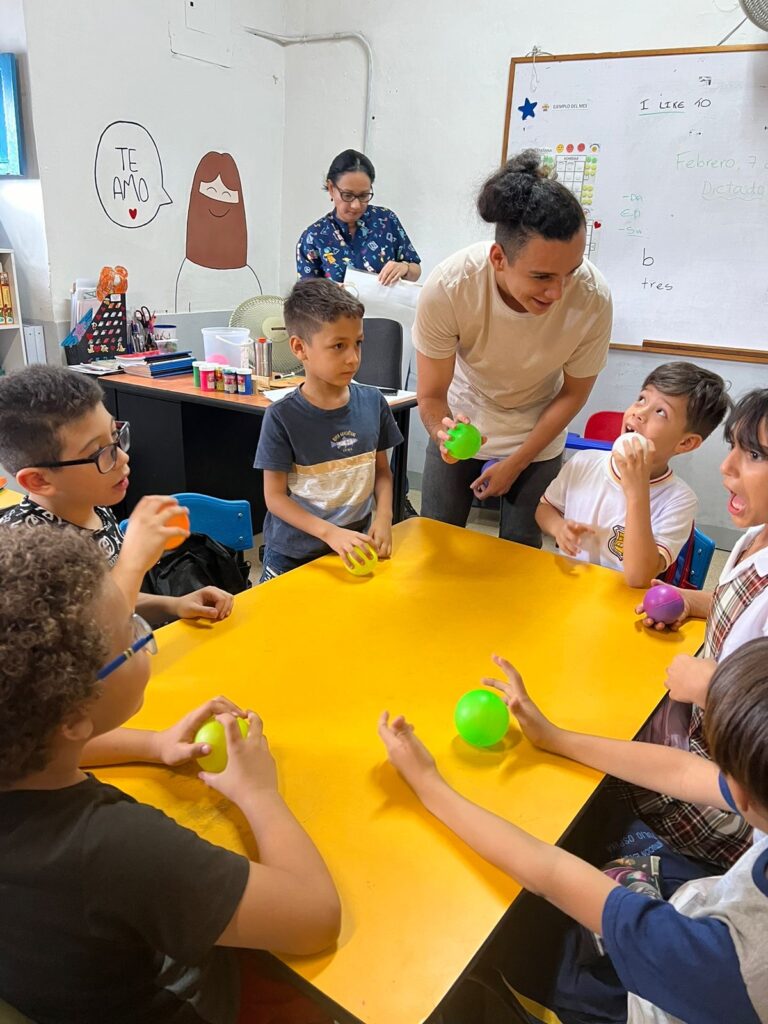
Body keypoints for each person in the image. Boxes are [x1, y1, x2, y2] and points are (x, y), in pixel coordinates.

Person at [0, 525, 340, 1024]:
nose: (144, 639)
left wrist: (152, 744)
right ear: (73, 717)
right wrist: (259, 793)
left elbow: (56, 742)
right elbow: (315, 918)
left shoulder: (21, 744)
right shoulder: (111, 844)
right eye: (133, 637)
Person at [378, 643, 768, 1024]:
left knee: (497, 927)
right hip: (702, 912)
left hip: (651, 994)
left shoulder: (726, 961)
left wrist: (429, 786)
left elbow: (549, 874)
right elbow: (681, 772)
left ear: (741, 792)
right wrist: (554, 738)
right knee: (601, 819)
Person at [413, 150, 613, 548]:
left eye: (570, 272)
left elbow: (574, 393)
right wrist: (442, 430)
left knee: (522, 553)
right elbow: (432, 395)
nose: (557, 292)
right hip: (464, 421)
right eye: (541, 276)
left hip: (538, 437)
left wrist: (517, 461)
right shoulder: (451, 287)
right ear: (499, 258)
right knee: (435, 543)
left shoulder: (592, 298)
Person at [627, 388, 768, 869]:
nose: (726, 467)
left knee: (608, 757)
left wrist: (711, 686)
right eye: (733, 446)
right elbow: (740, 608)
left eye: (752, 454)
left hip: (737, 788)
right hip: (698, 721)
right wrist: (692, 601)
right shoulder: (754, 538)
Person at [0, 365, 233, 627]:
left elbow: (112, 597)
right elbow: (96, 636)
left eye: (115, 436)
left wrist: (175, 605)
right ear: (39, 480)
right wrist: (134, 559)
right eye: (99, 452)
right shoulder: (27, 558)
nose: (122, 457)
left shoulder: (92, 507)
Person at [255, 279, 403, 581]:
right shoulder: (281, 417)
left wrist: (384, 516)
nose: (353, 358)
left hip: (354, 549)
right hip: (293, 557)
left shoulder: (374, 403)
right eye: (338, 346)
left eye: (357, 343)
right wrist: (330, 533)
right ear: (299, 348)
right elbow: (275, 498)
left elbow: (383, 472)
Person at [536, 361, 729, 586]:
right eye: (642, 399)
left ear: (686, 442)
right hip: (569, 586)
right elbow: (545, 508)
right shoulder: (584, 462)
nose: (640, 413)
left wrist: (636, 491)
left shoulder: (680, 500)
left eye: (661, 412)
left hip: (621, 602)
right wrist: (558, 528)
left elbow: (639, 577)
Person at [296, 149, 421, 285]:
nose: (356, 205)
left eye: (363, 196)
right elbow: (306, 298)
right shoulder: (314, 237)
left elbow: (415, 270)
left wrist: (404, 268)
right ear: (331, 188)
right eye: (348, 195)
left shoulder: (385, 220)